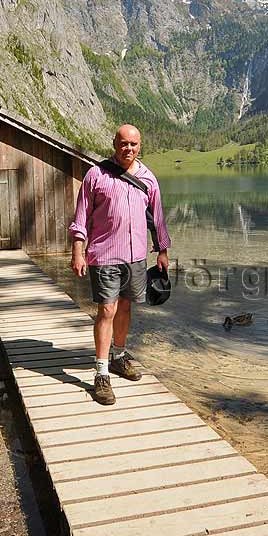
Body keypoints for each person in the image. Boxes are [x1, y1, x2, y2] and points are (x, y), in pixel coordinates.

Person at [68, 124, 170, 405]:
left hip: (136, 256)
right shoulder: (96, 175)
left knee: (125, 306)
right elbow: (81, 218)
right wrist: (78, 251)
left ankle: (119, 356)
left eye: (134, 144)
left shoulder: (148, 178)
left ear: (140, 146)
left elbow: (158, 219)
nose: (129, 149)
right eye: (123, 143)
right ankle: (101, 373)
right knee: (107, 309)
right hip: (103, 255)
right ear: (114, 143)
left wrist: (162, 251)